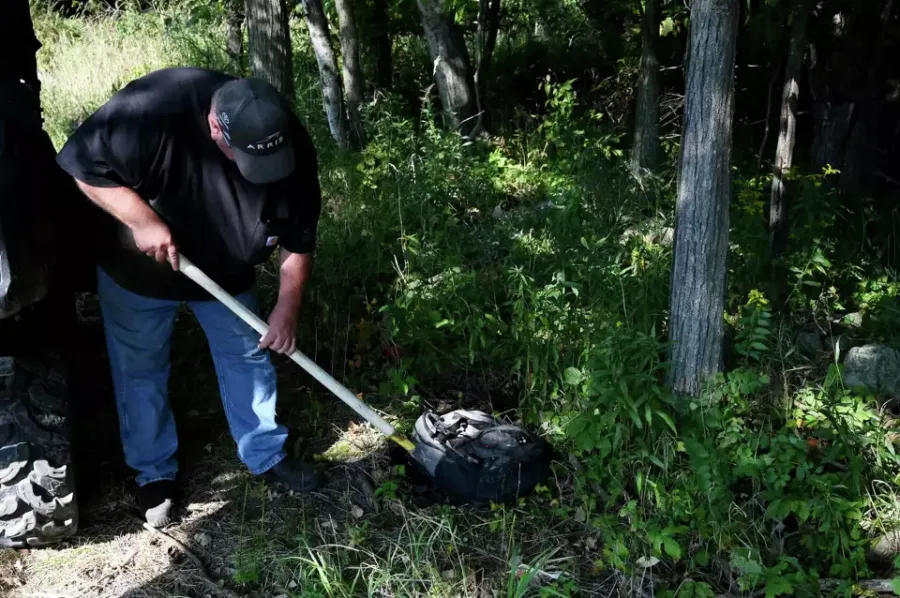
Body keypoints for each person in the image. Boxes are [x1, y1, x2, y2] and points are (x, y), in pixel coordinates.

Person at [55, 67, 324, 527]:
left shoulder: (286, 143)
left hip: (227, 272)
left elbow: (299, 239)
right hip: (138, 271)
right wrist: (141, 220)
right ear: (215, 127)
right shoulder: (151, 110)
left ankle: (266, 453)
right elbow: (81, 165)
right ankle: (153, 474)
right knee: (139, 369)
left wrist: (286, 308)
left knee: (248, 356)